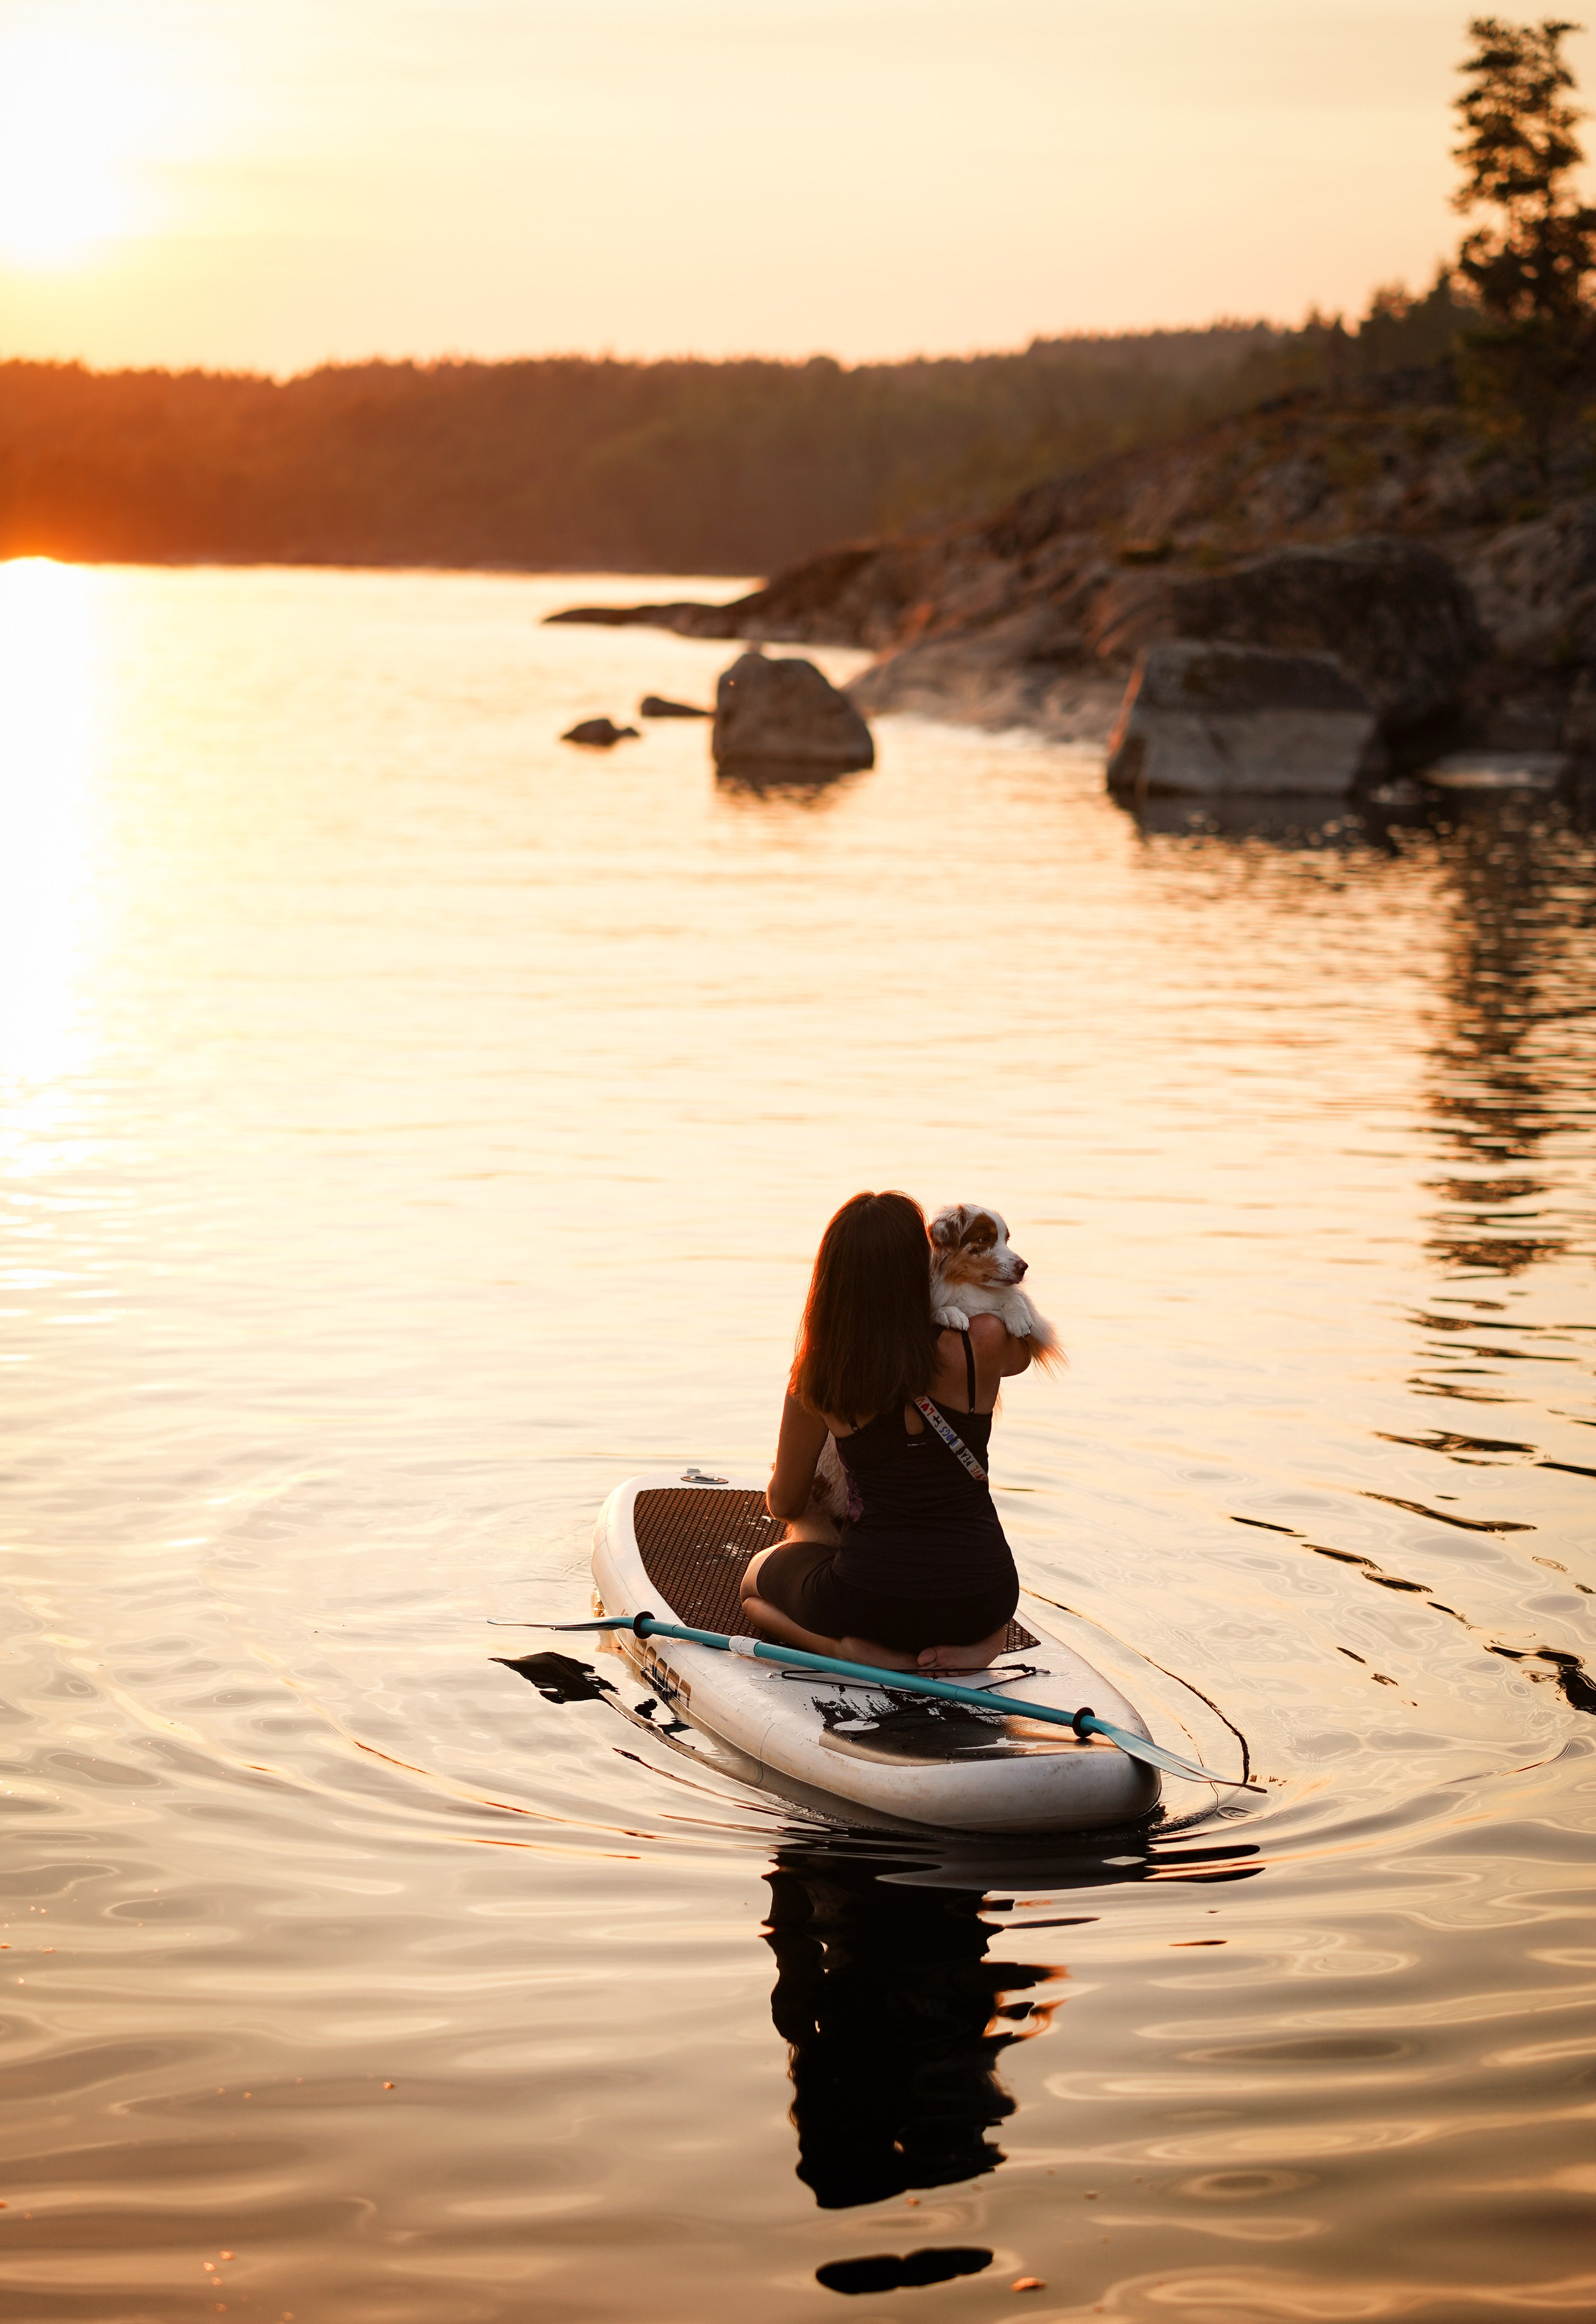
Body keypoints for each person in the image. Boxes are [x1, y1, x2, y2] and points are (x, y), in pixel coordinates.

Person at [739, 1189, 1034, 1674]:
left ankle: (850, 1653)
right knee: (972, 1598)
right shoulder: (982, 1338)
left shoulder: (820, 1372)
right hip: (985, 1592)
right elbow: (1024, 1353)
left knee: (753, 1586)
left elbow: (787, 1505)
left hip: (872, 1600)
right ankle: (982, 1645)